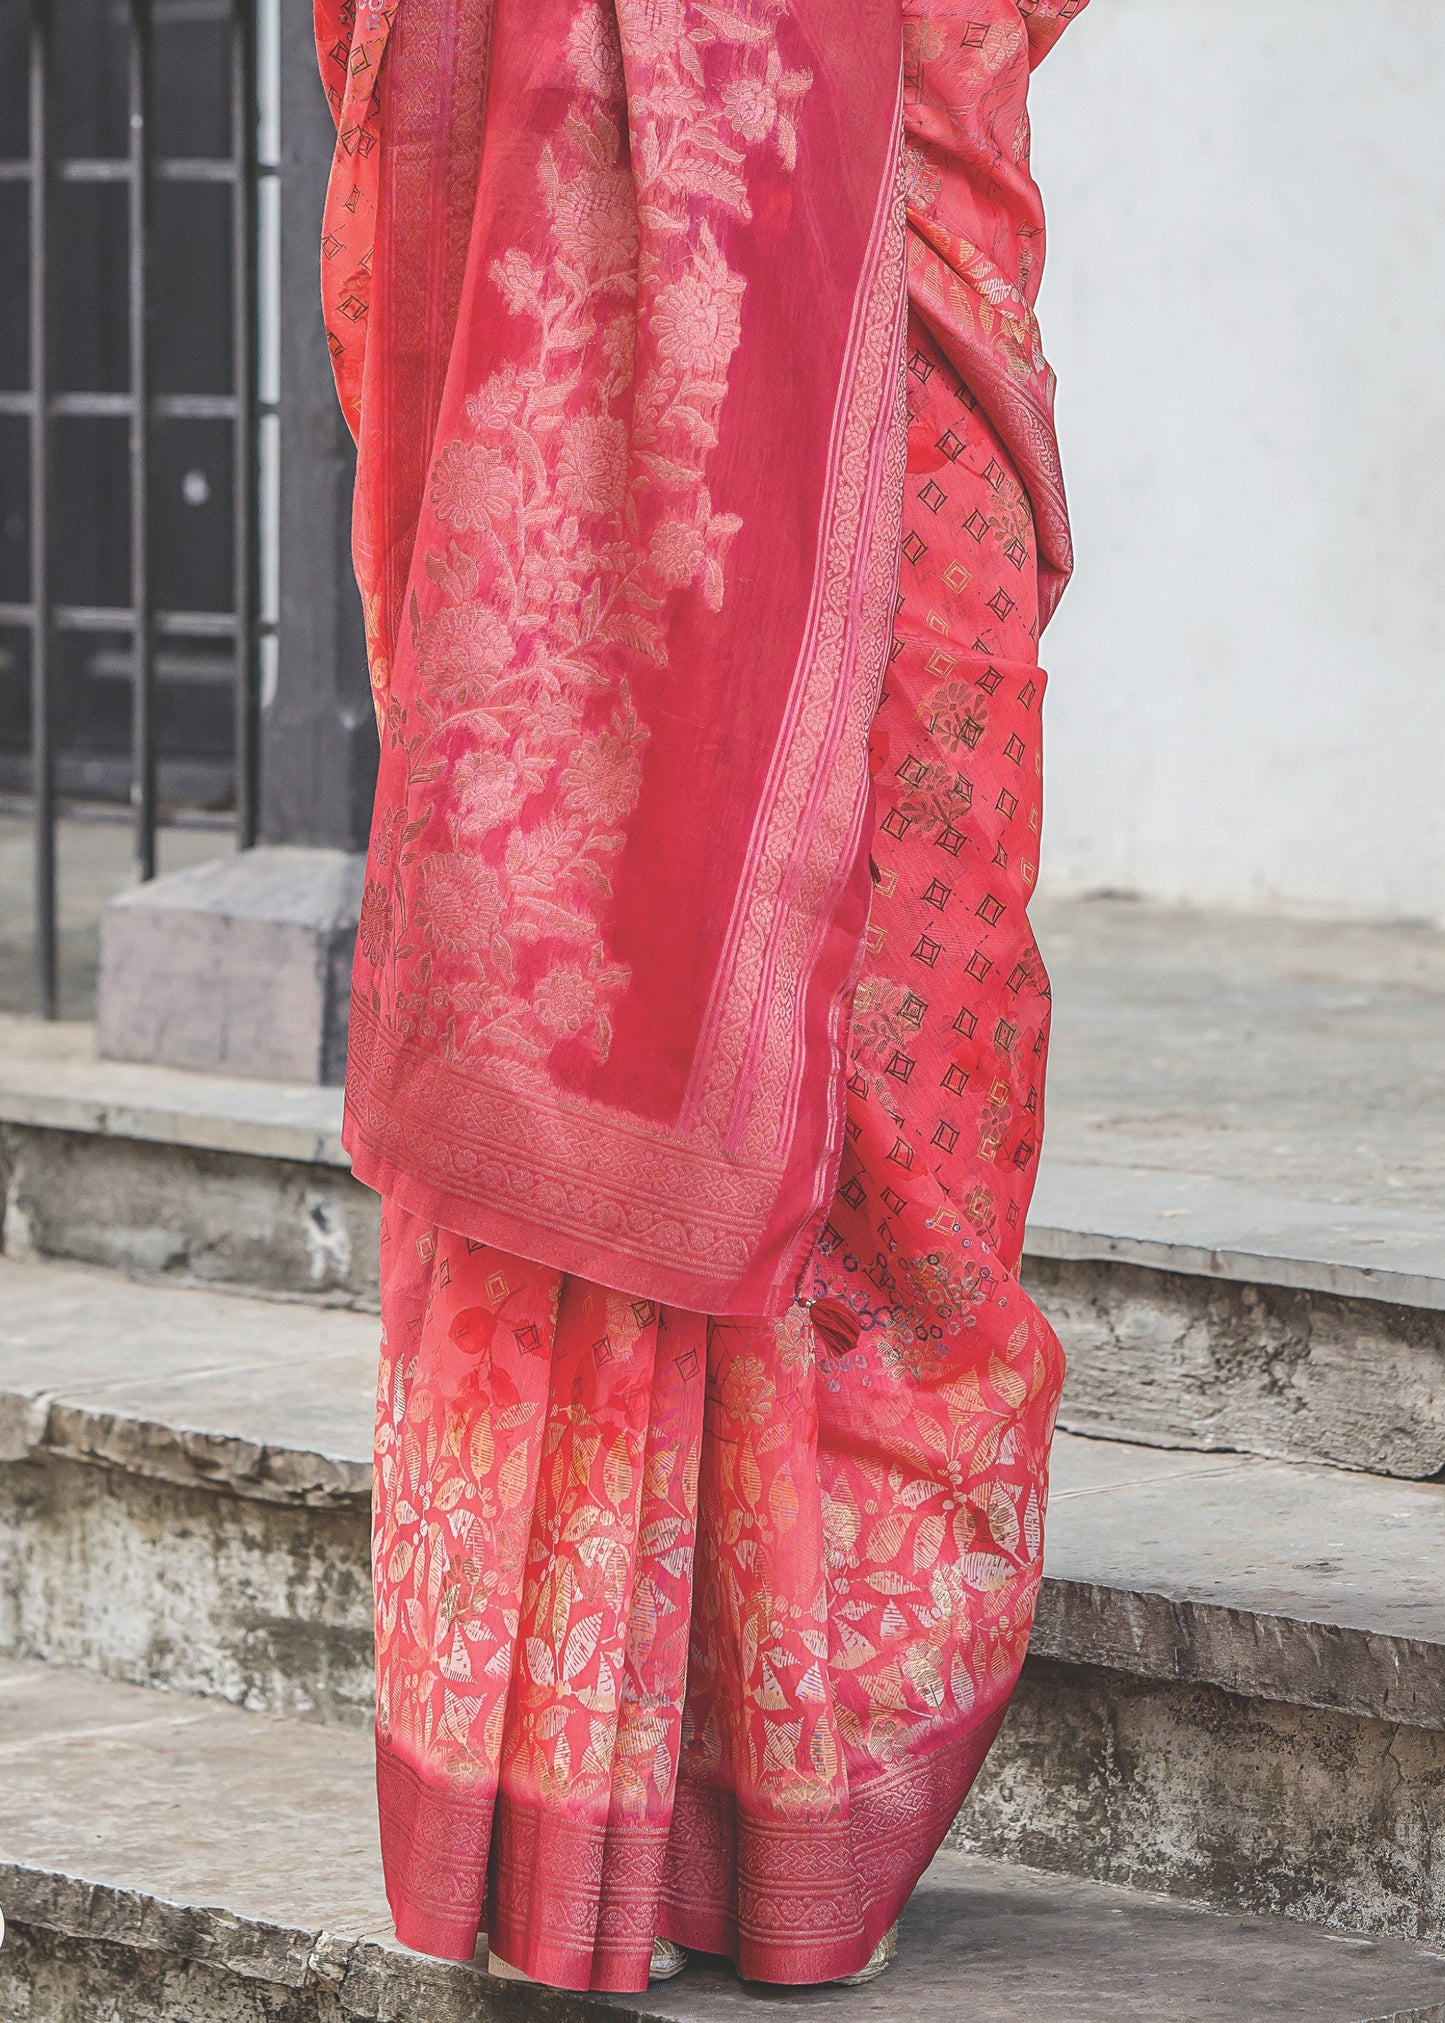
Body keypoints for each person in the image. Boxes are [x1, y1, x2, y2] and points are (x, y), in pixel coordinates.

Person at [315, 0, 1086, 1992]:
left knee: (899, 1052)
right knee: (592, 953)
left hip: (892, 315)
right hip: (570, 285)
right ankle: (602, 1832)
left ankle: (797, 1801)